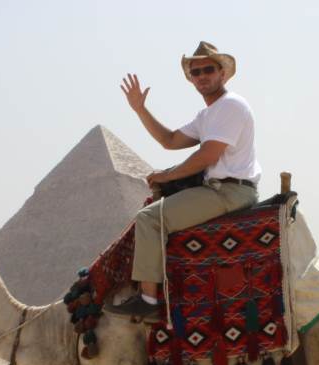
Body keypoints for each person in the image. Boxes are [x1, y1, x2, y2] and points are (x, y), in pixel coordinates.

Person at [104, 41, 261, 322]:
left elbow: (209, 154)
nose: (202, 76)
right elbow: (169, 140)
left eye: (208, 69)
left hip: (227, 192)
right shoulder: (208, 115)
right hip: (219, 189)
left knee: (150, 219)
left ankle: (148, 299)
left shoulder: (231, 106)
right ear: (191, 79)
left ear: (222, 73)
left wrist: (167, 176)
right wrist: (140, 109)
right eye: (196, 71)